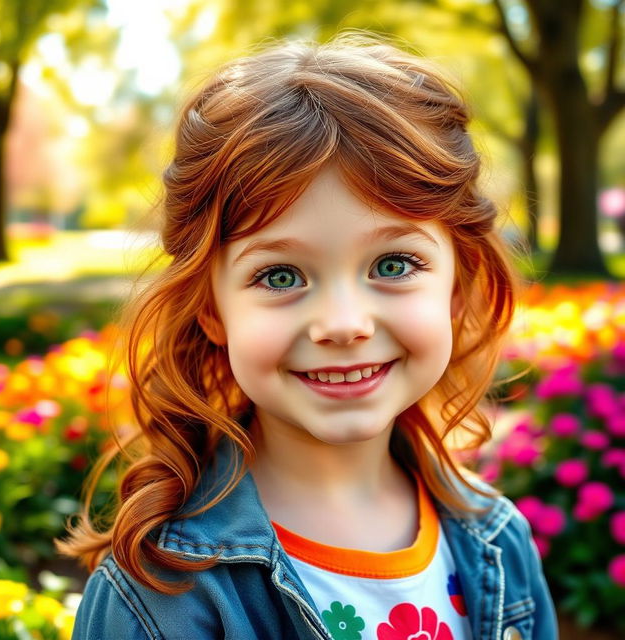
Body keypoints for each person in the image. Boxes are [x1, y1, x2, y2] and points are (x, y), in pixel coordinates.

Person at [59, 31, 558, 640]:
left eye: (393, 265)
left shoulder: (498, 545)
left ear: (456, 285)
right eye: (280, 275)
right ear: (211, 308)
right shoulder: (163, 596)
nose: (344, 324)